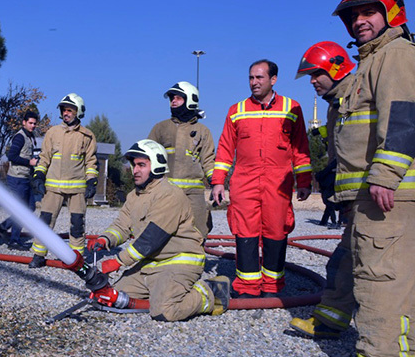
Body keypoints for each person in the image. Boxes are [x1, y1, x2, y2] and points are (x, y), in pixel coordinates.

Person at [324, 0, 415, 357]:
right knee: (401, 274)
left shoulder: (394, 55)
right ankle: (405, 355)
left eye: (368, 11)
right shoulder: (373, 60)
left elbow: (402, 119)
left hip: (386, 192)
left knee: (378, 274)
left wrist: (383, 176)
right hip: (388, 190)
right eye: (353, 15)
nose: (359, 21)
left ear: (391, 12)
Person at [86, 139, 230, 319]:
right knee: (113, 296)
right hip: (150, 264)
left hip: (178, 262)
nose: (135, 170)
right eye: (134, 165)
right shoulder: (134, 196)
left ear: (157, 166)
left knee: (164, 310)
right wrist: (105, 239)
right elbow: (121, 225)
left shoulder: (169, 195)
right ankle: (163, 291)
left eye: (141, 165)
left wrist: (119, 261)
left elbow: (151, 239)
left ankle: (210, 291)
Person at [211, 59, 312, 298]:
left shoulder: (292, 107)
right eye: (251, 78)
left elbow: (300, 148)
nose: (254, 83)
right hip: (244, 181)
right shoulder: (237, 110)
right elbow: (225, 148)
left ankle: (272, 287)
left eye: (259, 78)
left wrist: (305, 181)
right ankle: (247, 287)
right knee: (244, 231)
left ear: (273, 79)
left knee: (276, 230)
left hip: (278, 183)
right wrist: (218, 181)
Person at [288, 41, 356, 339]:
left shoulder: (360, 95)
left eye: (316, 74)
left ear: (336, 68)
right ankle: (330, 321)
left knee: (378, 275)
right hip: (354, 201)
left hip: (379, 199)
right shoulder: (337, 106)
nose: (313, 81)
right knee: (343, 262)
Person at [27, 93, 98, 268]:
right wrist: (38, 175)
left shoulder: (87, 136)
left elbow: (91, 162)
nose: (65, 113)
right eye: (64, 110)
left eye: (69, 110)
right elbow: (44, 158)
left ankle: (77, 259)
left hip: (77, 189)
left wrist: (91, 181)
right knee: (45, 221)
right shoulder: (52, 133)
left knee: (77, 224)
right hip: (53, 188)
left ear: (78, 112)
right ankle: (38, 255)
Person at [148, 81, 215, 238]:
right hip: (165, 193)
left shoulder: (202, 131)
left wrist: (215, 181)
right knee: (161, 231)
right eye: (172, 98)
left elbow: (208, 160)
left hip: (193, 195)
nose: (173, 101)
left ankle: (195, 262)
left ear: (190, 100)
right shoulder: (160, 128)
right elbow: (147, 156)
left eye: (178, 98)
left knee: (198, 230)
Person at [0, 110, 39, 250]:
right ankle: (14, 240)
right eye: (30, 123)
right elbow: (12, 156)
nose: (32, 126)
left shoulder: (30, 137)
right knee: (22, 210)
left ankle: (4, 227)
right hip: (17, 178)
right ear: (24, 122)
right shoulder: (20, 137)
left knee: (31, 206)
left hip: (25, 178)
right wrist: (29, 162)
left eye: (34, 123)